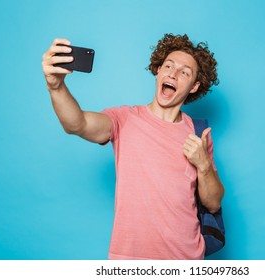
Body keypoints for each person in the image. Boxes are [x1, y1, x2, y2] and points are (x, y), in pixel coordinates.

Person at [41, 33, 224, 260]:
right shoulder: (124, 119)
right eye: (168, 66)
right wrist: (55, 86)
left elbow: (213, 203)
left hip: (185, 259)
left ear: (194, 86)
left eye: (184, 72)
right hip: (129, 261)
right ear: (158, 71)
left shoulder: (198, 133)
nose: (173, 74)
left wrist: (204, 164)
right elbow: (77, 123)